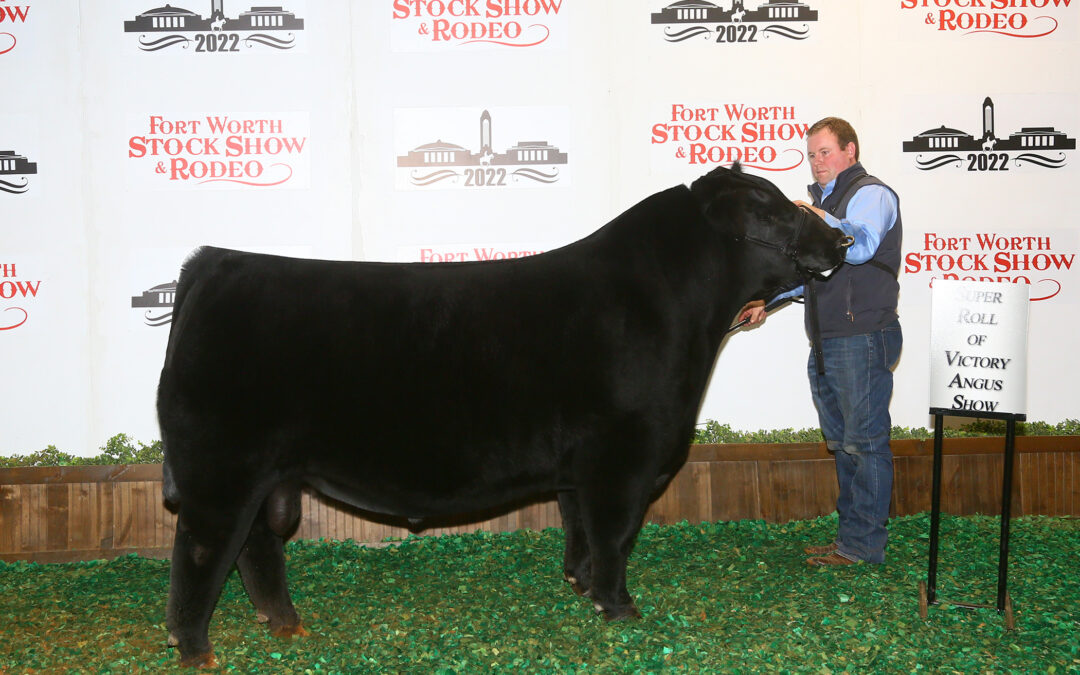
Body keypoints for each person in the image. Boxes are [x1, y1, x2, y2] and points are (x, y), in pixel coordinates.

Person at [739, 117, 903, 566]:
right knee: (844, 443)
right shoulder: (824, 203)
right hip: (830, 340)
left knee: (864, 444)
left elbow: (862, 245)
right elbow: (811, 276)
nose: (817, 163)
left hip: (863, 335)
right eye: (811, 155)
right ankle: (850, 539)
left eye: (825, 152)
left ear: (850, 150)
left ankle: (864, 548)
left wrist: (816, 216)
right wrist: (765, 303)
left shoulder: (872, 194)